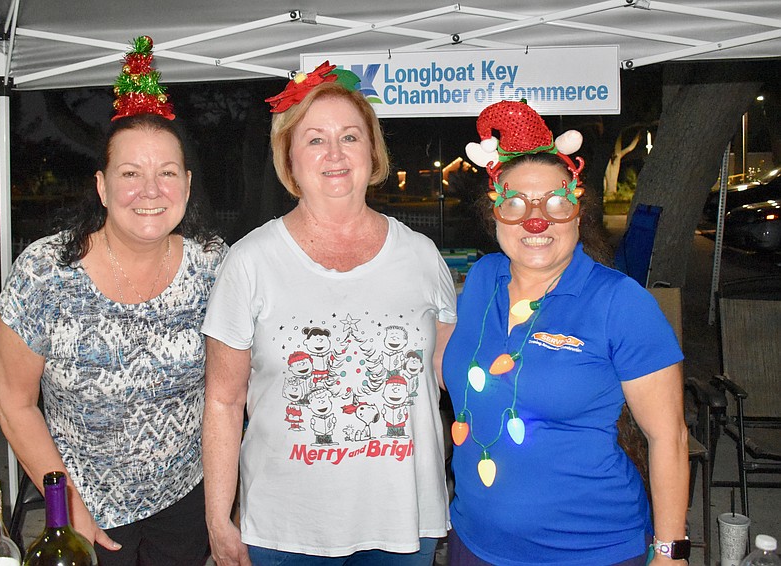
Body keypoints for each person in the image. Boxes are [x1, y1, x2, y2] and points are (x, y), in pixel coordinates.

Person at [201, 61, 457, 566]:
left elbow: (452, 377)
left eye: (350, 137)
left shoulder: (422, 255)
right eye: (315, 139)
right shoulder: (249, 261)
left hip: (402, 523)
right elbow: (224, 402)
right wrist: (217, 518)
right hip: (285, 529)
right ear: (290, 159)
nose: (335, 154)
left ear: (373, 152)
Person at [0, 36, 226, 566]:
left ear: (186, 185)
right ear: (101, 186)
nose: (150, 189)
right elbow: (12, 400)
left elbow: (241, 385)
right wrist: (66, 504)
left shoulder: (216, 265)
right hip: (83, 509)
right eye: (130, 173)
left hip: (187, 503)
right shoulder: (45, 271)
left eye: (166, 172)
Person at [443, 100, 689, 565]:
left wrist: (670, 552)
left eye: (557, 202)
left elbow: (669, 437)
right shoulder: (480, 280)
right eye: (515, 203)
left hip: (590, 549)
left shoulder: (620, 302)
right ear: (494, 213)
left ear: (578, 212)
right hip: (474, 542)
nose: (537, 220)